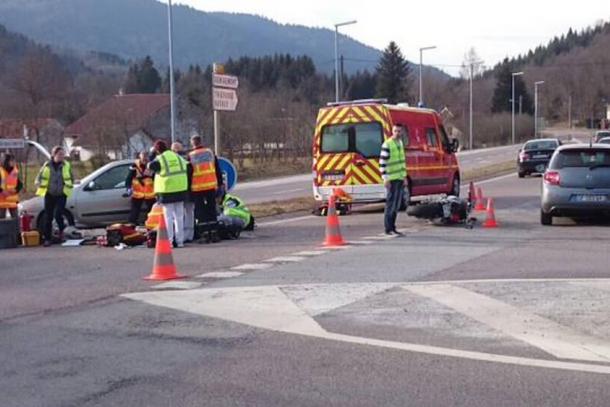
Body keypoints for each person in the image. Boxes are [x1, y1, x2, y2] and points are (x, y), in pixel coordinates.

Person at [147, 140, 188, 248]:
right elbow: (187, 166)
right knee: (179, 216)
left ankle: (169, 241)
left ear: (157, 150)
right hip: (181, 189)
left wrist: (151, 154)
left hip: (167, 190)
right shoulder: (177, 156)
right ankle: (180, 241)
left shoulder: (160, 159)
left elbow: (150, 166)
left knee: (168, 217)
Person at [35, 146, 74, 246]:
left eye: (63, 154)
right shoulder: (47, 165)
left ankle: (62, 232)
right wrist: (37, 183)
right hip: (49, 194)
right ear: (54, 155)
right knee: (48, 217)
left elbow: (71, 178)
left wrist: (70, 186)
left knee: (58, 214)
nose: (62, 156)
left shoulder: (66, 165)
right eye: (60, 154)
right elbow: (38, 178)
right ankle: (47, 239)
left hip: (61, 194)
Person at [188, 135, 222, 232]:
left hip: (197, 187)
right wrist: (220, 183)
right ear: (201, 142)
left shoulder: (190, 156)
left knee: (200, 209)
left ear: (192, 143)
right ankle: (214, 230)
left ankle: (204, 231)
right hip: (211, 185)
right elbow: (217, 169)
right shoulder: (210, 152)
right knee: (212, 207)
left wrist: (188, 188)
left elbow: (189, 173)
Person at [379, 124, 408, 235]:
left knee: (396, 204)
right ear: (392, 131)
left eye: (399, 131)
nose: (397, 133)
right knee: (390, 204)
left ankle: (393, 226)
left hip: (399, 178)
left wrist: (404, 176)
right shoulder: (387, 144)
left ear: (402, 132)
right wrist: (385, 178)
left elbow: (402, 162)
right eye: (395, 131)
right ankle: (388, 228)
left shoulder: (400, 143)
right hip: (391, 179)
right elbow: (382, 163)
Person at [171, 142, 195, 242]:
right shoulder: (188, 159)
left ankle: (180, 236)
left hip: (179, 190)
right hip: (189, 190)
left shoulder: (173, 160)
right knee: (188, 213)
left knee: (178, 215)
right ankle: (189, 235)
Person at [125, 151, 155, 225]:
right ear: (140, 157)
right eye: (143, 158)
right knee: (134, 211)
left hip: (150, 193)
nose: (145, 160)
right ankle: (132, 225)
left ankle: (150, 224)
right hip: (137, 193)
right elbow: (128, 178)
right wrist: (128, 188)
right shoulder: (134, 166)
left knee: (152, 211)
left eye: (146, 158)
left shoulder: (152, 165)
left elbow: (156, 179)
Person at [0, 153, 23, 221]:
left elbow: (20, 184)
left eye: (14, 161)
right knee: (1, 221)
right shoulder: (1, 171)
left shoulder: (14, 171)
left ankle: (15, 231)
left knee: (15, 220)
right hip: (2, 201)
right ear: (6, 161)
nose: (13, 162)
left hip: (12, 200)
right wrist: (2, 191)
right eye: (12, 161)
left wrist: (16, 190)